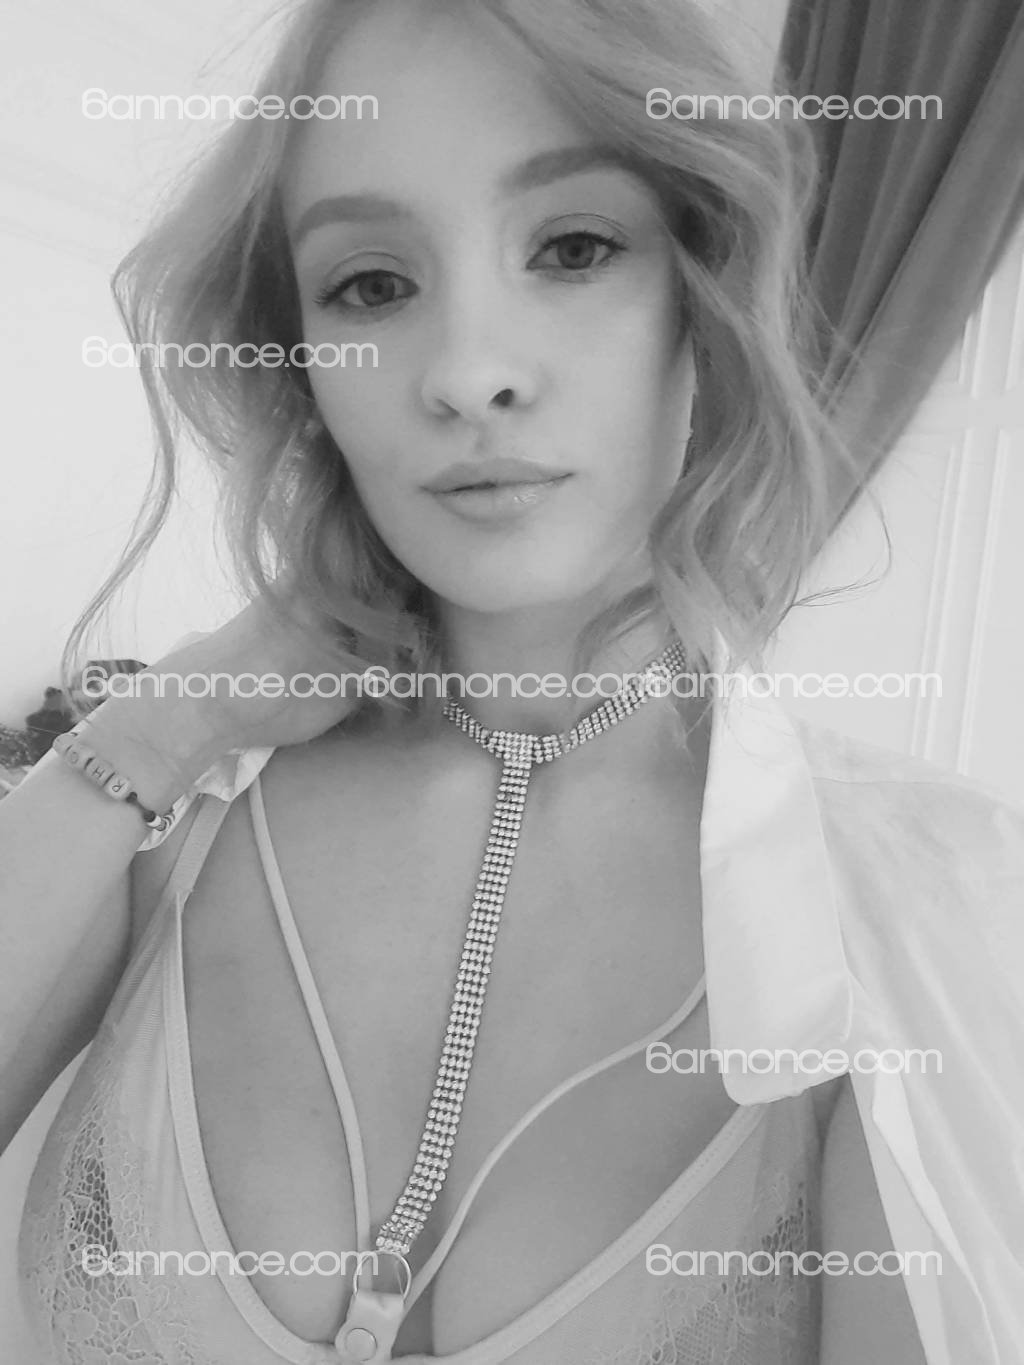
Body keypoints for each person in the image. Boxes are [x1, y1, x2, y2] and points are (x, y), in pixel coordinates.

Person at [3, 1, 1022, 1362]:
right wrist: (163, 724)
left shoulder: (917, 906)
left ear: (706, 299)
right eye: (372, 284)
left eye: (574, 247)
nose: (469, 374)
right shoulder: (171, 818)